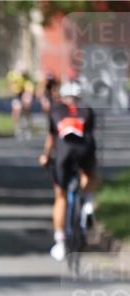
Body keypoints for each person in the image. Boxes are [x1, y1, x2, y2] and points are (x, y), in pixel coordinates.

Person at [38, 81, 100, 261]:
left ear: (62, 96)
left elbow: (52, 138)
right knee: (90, 174)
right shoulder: (87, 110)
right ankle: (88, 203)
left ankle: (60, 242)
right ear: (80, 96)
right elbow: (90, 137)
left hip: (64, 151)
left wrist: (46, 156)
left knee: (61, 195)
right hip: (85, 150)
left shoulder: (56, 110)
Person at [8, 67, 36, 140]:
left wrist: (27, 101)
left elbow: (30, 93)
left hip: (24, 94)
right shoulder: (15, 78)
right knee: (17, 110)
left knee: (27, 107)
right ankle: (17, 129)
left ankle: (28, 127)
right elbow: (11, 86)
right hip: (17, 95)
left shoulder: (28, 82)